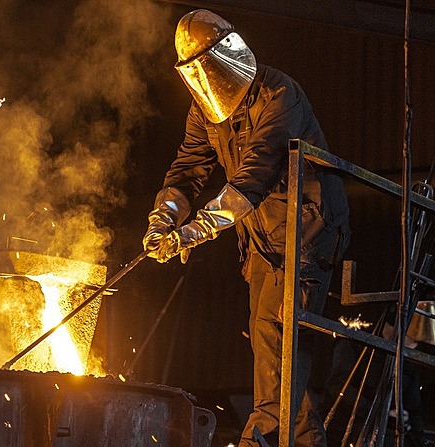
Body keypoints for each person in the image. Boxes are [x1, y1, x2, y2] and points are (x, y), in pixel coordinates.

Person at [142, 9, 350, 447]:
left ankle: (260, 440)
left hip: (306, 234)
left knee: (277, 338)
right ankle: (307, 440)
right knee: (271, 346)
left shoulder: (280, 94)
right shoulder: (205, 112)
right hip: (260, 239)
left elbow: (253, 177)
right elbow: (187, 172)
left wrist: (195, 231)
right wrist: (164, 218)